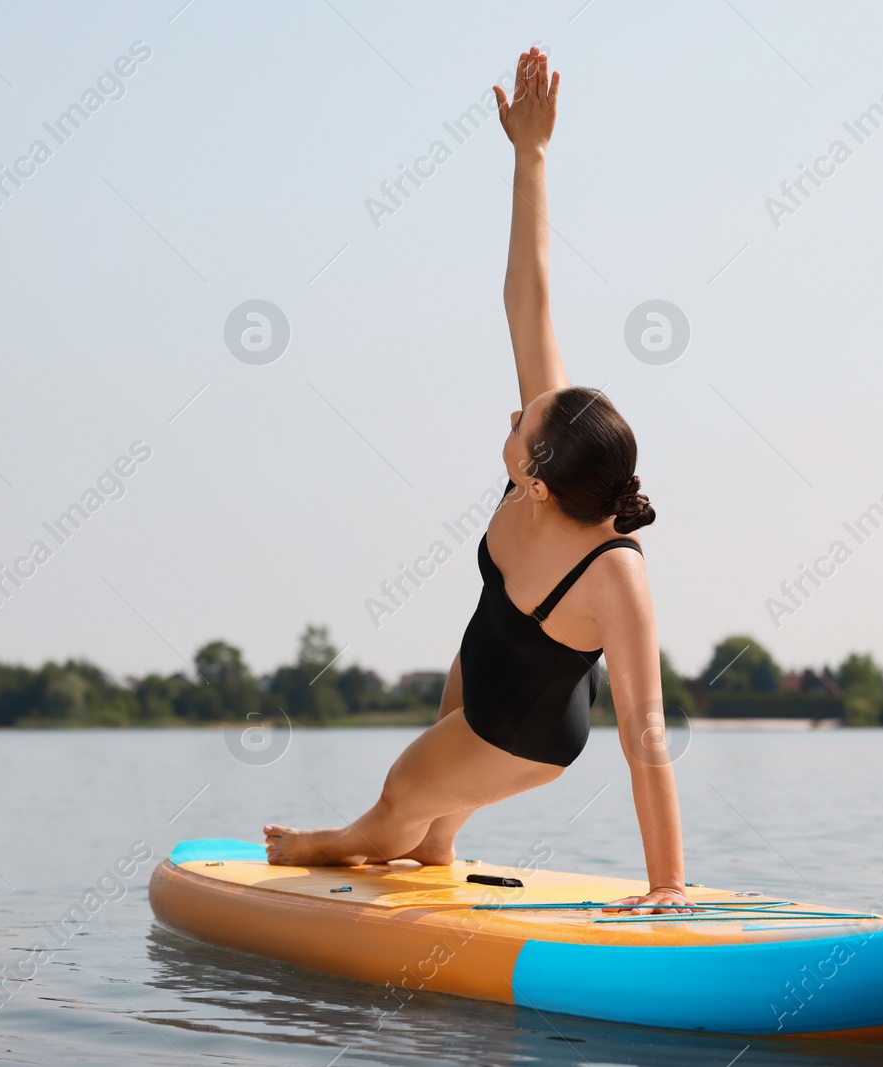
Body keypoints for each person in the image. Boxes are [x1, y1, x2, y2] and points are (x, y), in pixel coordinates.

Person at [264, 47, 697, 915]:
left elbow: (647, 734)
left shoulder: (615, 574)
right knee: (426, 835)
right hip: (483, 670)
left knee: (393, 803)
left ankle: (335, 841)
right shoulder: (559, 452)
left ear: (537, 484)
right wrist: (530, 157)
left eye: (520, 426)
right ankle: (433, 848)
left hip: (526, 732)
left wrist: (668, 885)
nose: (513, 416)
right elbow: (529, 301)